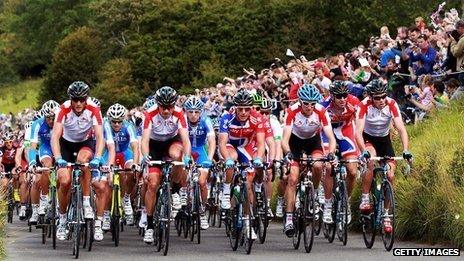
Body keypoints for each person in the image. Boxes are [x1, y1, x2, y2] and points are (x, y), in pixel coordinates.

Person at [51, 81, 106, 241]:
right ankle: (62, 220)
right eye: (75, 100)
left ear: (87, 99)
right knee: (65, 181)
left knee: (84, 161)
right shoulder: (63, 109)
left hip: (85, 143)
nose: (79, 103)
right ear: (71, 99)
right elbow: (55, 136)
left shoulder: (94, 109)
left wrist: (97, 157)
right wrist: (58, 157)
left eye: (82, 100)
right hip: (66, 145)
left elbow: (100, 136)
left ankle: (87, 202)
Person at [356, 79, 412, 234]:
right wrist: (363, 151)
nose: (381, 100)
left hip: (384, 140)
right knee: (371, 162)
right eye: (377, 98)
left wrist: (406, 149)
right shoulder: (364, 105)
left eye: (383, 97)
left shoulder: (392, 104)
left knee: (390, 175)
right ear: (370, 97)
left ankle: (386, 214)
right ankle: (365, 197)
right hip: (368, 139)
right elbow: (358, 132)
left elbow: (401, 129)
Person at [281, 84, 336, 237]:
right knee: (292, 179)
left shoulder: (321, 111)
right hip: (295, 143)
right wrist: (288, 153)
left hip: (313, 142)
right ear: (300, 101)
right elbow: (284, 140)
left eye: (313, 103)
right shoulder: (292, 111)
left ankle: (316, 192)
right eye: (306, 103)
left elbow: (331, 138)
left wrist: (331, 153)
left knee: (319, 165)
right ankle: (289, 219)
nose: (310, 107)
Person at [140, 86, 191, 244]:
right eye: (164, 107)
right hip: (154, 145)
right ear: (158, 104)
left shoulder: (179, 113)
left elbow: (186, 139)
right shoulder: (150, 114)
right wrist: (145, 157)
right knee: (153, 184)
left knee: (179, 156)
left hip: (171, 142)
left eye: (170, 107)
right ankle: (149, 225)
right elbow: (145, 140)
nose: (167, 111)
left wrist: (187, 157)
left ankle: (175, 190)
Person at [218, 88, 265, 240]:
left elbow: (261, 143)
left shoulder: (257, 118)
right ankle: (226, 192)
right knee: (230, 161)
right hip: (230, 147)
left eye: (247, 109)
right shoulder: (227, 117)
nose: (244, 112)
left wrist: (258, 158)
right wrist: (228, 160)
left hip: (246, 147)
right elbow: (222, 143)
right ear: (235, 108)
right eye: (240, 109)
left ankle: (247, 222)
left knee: (248, 183)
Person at [320, 81, 361, 224]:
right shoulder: (323, 105)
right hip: (326, 133)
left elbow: (360, 125)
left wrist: (361, 150)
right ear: (332, 96)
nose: (343, 99)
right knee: (329, 166)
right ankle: (328, 203)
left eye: (345, 95)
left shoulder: (354, 102)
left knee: (352, 171)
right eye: (339, 96)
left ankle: (346, 202)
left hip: (345, 132)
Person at [183, 96, 216, 230]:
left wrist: (209, 158)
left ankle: (202, 211)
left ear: (201, 112)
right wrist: (186, 156)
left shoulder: (206, 120)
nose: (193, 115)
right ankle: (184, 198)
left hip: (201, 151)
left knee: (202, 182)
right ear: (186, 112)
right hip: (187, 152)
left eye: (196, 112)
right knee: (184, 177)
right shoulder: (183, 121)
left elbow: (212, 141)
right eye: (190, 112)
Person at [27, 100, 60, 223]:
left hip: (60, 148)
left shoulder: (63, 122)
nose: (51, 121)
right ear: (44, 116)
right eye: (48, 118)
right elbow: (33, 146)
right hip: (46, 148)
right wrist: (32, 162)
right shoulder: (37, 124)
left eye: (53, 118)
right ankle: (44, 198)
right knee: (47, 166)